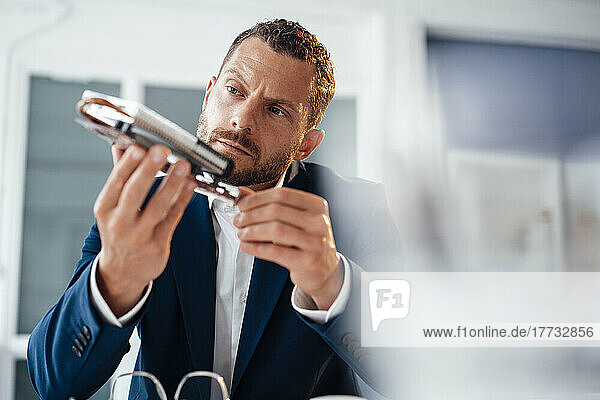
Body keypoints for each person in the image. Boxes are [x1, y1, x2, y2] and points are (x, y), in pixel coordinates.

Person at [27, 19, 402, 399]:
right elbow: (53, 382)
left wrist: (333, 283)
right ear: (209, 95)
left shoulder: (359, 210)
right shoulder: (140, 204)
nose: (242, 118)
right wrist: (114, 281)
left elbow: (420, 368)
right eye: (235, 90)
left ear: (306, 144)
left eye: (275, 110)